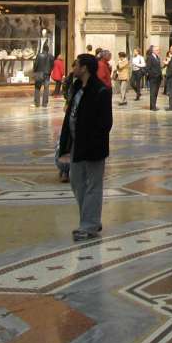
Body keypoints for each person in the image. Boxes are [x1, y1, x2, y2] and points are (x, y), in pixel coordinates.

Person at [57, 53, 112, 241]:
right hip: (76, 144)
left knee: (93, 185)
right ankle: (91, 219)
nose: (73, 69)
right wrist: (65, 145)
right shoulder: (77, 87)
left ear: (85, 68)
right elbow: (69, 116)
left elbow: (106, 123)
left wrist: (92, 140)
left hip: (93, 146)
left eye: (76, 66)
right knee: (76, 182)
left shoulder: (101, 91)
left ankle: (88, 225)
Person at [145, 44, 163, 109]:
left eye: (159, 50)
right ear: (153, 51)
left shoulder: (157, 57)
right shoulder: (150, 57)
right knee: (153, 92)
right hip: (153, 78)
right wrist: (152, 75)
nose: (159, 51)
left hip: (158, 77)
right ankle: (153, 107)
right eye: (157, 50)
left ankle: (153, 105)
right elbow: (147, 68)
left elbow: (158, 67)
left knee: (155, 92)